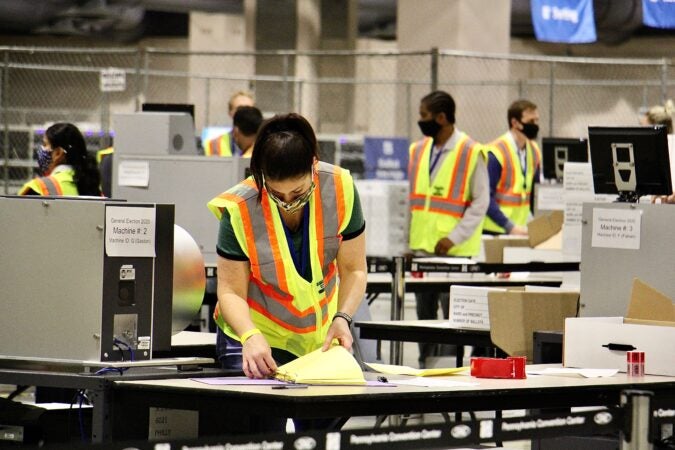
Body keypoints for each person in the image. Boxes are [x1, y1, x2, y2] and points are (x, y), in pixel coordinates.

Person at [207, 113, 367, 428]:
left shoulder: (340, 188)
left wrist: (343, 317)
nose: (288, 203)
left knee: (321, 434)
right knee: (262, 435)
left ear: (313, 165)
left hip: (319, 337)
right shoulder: (239, 208)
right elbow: (229, 291)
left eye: (298, 193)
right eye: (277, 195)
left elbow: (354, 270)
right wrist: (250, 336)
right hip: (254, 338)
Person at [408, 91, 489, 368]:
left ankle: (446, 378)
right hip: (422, 250)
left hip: (453, 254)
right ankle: (424, 372)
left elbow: (481, 202)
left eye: (424, 115)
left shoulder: (471, 151)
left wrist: (454, 238)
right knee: (425, 318)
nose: (421, 121)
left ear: (441, 118)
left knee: (451, 320)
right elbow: (414, 201)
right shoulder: (418, 150)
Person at [483, 99, 542, 236]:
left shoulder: (534, 150)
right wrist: (510, 227)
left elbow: (535, 193)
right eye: (531, 122)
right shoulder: (496, 152)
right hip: (494, 231)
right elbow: (485, 197)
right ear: (515, 123)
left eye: (537, 121)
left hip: (521, 230)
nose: (535, 126)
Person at [19, 122, 101, 197]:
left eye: (45, 144)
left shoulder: (39, 188)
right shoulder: (95, 189)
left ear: (58, 153)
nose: (41, 149)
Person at [203, 90, 255, 157]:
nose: (244, 114)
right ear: (230, 113)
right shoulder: (214, 145)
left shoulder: (262, 145)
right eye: (239, 109)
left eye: (248, 110)